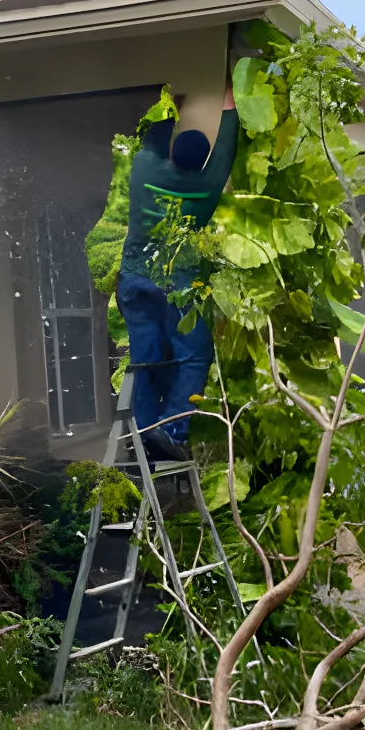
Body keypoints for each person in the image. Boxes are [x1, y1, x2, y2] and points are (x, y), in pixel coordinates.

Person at [118, 78, 239, 464]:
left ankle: (141, 431)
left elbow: (152, 140)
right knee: (192, 357)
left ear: (172, 154)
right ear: (200, 162)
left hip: (135, 280)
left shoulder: (145, 170)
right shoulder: (207, 184)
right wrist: (231, 99)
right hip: (177, 286)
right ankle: (170, 431)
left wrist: (172, 105)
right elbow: (227, 148)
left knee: (144, 358)